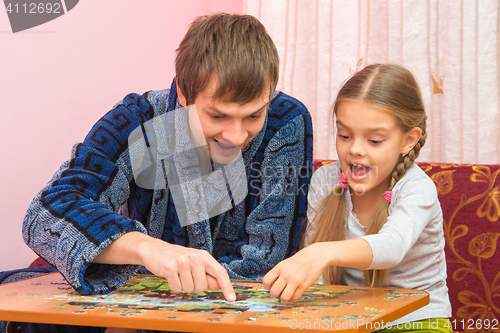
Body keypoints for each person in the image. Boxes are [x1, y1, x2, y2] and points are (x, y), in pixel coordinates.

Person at [4, 13, 313, 332]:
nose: (235, 135)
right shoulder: (137, 119)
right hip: (127, 299)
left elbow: (266, 260)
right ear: (183, 93)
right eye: (218, 115)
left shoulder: (285, 121)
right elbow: (48, 212)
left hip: (233, 315)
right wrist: (147, 248)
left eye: (253, 115)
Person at [263, 64, 452, 332]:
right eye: (344, 135)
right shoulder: (325, 181)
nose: (355, 150)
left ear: (408, 140)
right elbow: (317, 277)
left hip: (417, 320)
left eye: (374, 140)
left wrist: (322, 252)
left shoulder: (417, 188)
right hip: (349, 318)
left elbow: (393, 245)